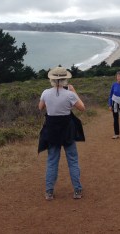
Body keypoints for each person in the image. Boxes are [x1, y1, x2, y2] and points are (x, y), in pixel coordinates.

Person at [37, 66, 86, 201]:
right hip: (68, 132)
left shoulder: (46, 93)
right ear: (65, 79)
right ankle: (77, 190)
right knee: (73, 160)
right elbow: (82, 108)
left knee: (52, 161)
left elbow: (40, 107)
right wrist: (74, 92)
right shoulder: (70, 94)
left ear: (52, 79)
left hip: (52, 131)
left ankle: (49, 192)